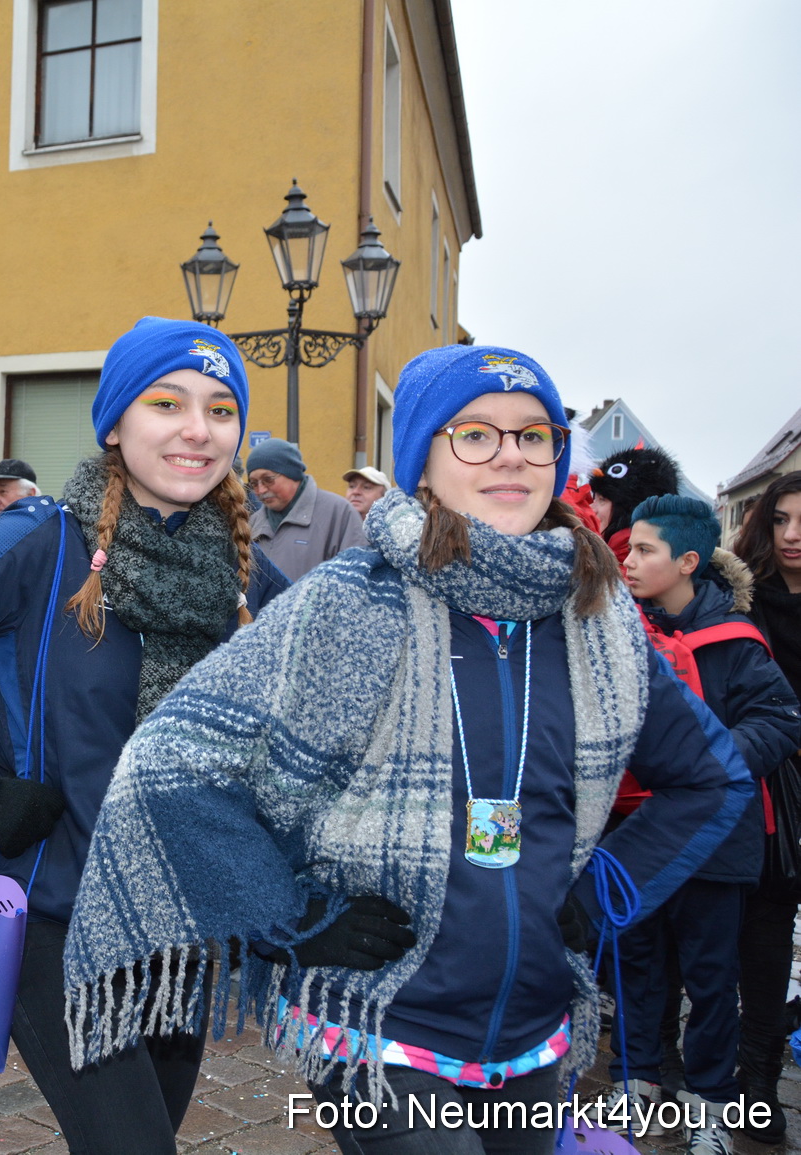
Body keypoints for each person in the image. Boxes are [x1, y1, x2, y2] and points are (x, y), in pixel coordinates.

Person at [63, 344, 757, 1155]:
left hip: (534, 1025)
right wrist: (288, 912)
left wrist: (610, 884)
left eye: (534, 436)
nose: (510, 454)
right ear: (423, 462)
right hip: (377, 1021)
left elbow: (711, 782)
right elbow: (168, 765)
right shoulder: (350, 601)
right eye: (475, 434)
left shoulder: (601, 624)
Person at [0, 317, 289, 1153]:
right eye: (168, 402)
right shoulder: (41, 541)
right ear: (116, 422)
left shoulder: (248, 573)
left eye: (221, 409)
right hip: (55, 917)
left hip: (184, 928)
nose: (197, 428)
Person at [614, 495, 800, 1155]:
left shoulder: (735, 640)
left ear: (688, 561)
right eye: (628, 548)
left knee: (711, 976)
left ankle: (711, 1107)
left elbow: (780, 720)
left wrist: (711, 762)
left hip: (716, 839)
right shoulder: (617, 629)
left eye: (644, 550)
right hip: (634, 837)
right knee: (635, 964)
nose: (628, 561)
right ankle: (636, 1082)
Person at [731, 470, 801, 1143]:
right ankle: (757, 1076)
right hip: (773, 792)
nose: (792, 534)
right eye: (781, 519)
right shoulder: (745, 600)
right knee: (765, 935)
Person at [245, 437, 367, 581]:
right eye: (254, 483)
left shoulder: (339, 513)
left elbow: (355, 579)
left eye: (268, 479)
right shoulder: (253, 522)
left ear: (293, 474)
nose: (261, 490)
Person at [590, 445, 681, 563]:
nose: (591, 508)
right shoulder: (607, 555)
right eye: (594, 498)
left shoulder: (629, 568)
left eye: (602, 500)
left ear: (629, 508)